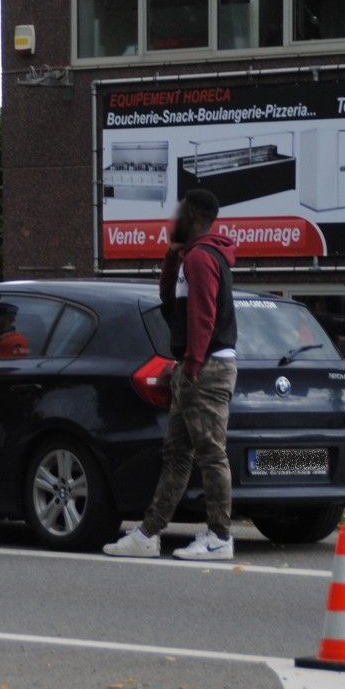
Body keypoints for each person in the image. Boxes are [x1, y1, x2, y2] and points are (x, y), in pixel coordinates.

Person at [105, 189, 239, 561]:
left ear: (193, 216)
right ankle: (149, 533)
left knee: (211, 454)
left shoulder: (202, 258)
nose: (172, 220)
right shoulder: (189, 257)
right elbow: (168, 300)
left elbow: (203, 314)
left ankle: (219, 536)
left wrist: (193, 363)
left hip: (206, 367)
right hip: (194, 365)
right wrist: (170, 254)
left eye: (179, 214)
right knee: (177, 454)